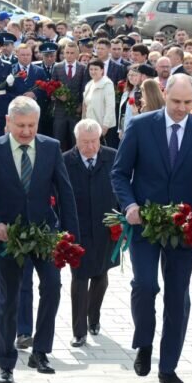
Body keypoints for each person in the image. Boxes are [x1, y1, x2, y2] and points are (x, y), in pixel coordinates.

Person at [111, 73, 192, 383]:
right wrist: (130, 205)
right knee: (145, 285)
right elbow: (120, 173)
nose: (181, 108)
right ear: (165, 94)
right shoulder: (140, 125)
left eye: (188, 103)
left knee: (177, 296)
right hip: (145, 222)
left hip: (184, 227)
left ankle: (169, 365)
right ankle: (144, 342)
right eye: (176, 102)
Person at [0, 96, 79, 383]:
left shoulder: (51, 147)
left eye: (31, 125)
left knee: (53, 289)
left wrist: (70, 237)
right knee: (8, 299)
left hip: (44, 233)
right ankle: (5, 363)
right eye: (20, 125)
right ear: (8, 122)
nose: (27, 132)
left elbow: (65, 193)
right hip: (7, 236)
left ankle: (40, 352)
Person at [64, 119, 119, 347]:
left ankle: (93, 318)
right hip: (77, 228)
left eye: (94, 141)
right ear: (76, 141)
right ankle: (79, 331)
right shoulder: (65, 160)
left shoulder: (113, 157)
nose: (89, 147)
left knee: (100, 276)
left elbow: (124, 186)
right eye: (84, 142)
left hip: (106, 227)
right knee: (79, 278)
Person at [50, 43, 86, 151]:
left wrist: (81, 106)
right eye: (67, 53)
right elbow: (52, 86)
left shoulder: (83, 68)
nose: (69, 55)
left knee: (75, 139)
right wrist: (58, 95)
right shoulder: (57, 67)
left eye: (72, 53)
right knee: (58, 138)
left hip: (75, 110)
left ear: (77, 54)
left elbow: (84, 89)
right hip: (59, 111)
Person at [81, 59, 115, 140]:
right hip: (90, 126)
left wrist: (105, 126)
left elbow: (110, 106)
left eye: (96, 69)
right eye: (91, 69)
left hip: (103, 126)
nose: (93, 72)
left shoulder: (107, 84)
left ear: (102, 70)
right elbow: (85, 106)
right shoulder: (89, 84)